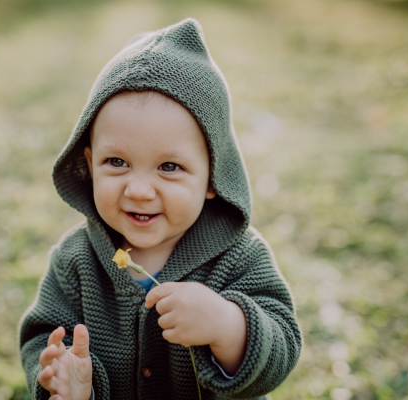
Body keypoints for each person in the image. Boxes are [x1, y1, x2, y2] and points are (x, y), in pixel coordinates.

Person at [19, 18, 302, 400]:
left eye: (169, 167)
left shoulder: (240, 258)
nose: (138, 190)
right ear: (88, 162)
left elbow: (282, 344)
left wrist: (226, 325)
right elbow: (43, 334)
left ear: (213, 179)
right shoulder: (76, 261)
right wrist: (65, 375)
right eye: (116, 162)